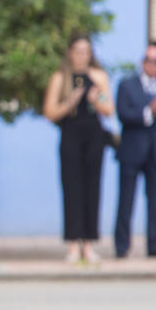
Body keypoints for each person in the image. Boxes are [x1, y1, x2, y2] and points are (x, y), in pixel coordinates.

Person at [43, 36, 115, 264]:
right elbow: (50, 112)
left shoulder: (98, 77)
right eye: (78, 51)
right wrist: (70, 103)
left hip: (93, 136)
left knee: (92, 188)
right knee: (72, 188)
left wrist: (95, 100)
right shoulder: (60, 78)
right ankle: (73, 243)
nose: (82, 55)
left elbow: (109, 109)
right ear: (71, 53)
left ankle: (89, 243)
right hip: (70, 135)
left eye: (86, 51)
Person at [113, 44, 156, 258]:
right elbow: (123, 113)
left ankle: (154, 245)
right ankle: (122, 246)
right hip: (132, 151)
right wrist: (148, 111)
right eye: (149, 60)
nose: (153, 65)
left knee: (155, 201)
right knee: (126, 200)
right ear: (143, 62)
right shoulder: (127, 85)